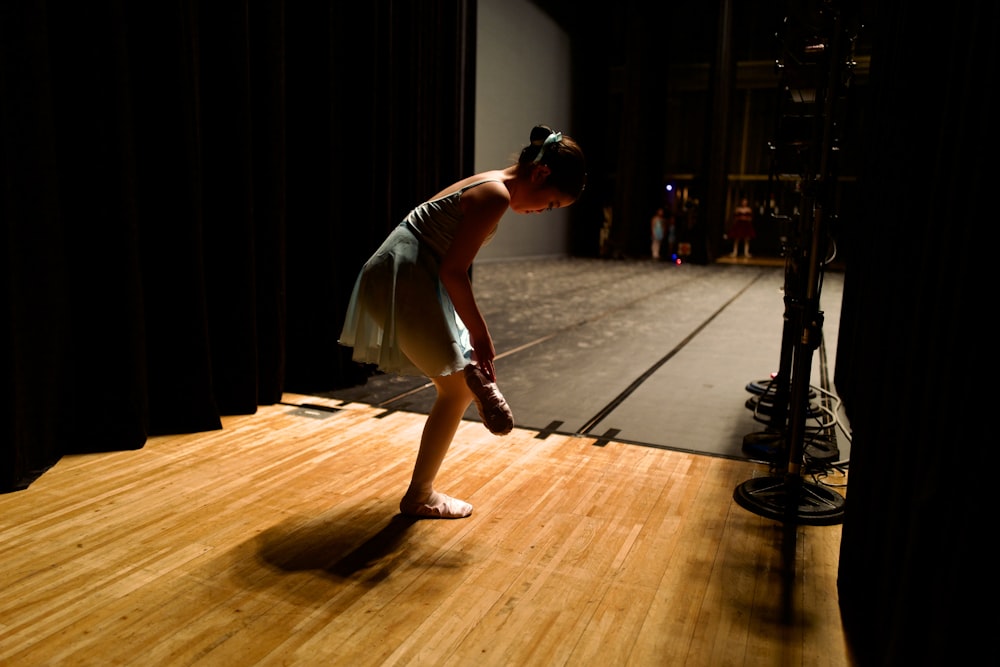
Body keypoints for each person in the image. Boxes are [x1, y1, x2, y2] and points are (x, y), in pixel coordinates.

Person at [338, 125, 587, 520]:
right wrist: (482, 334)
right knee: (455, 390)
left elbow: (445, 267)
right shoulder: (495, 196)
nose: (544, 212)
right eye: (552, 204)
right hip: (405, 278)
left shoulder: (490, 184)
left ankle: (472, 375)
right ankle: (421, 493)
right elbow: (453, 272)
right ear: (540, 175)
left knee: (455, 386)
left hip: (406, 274)